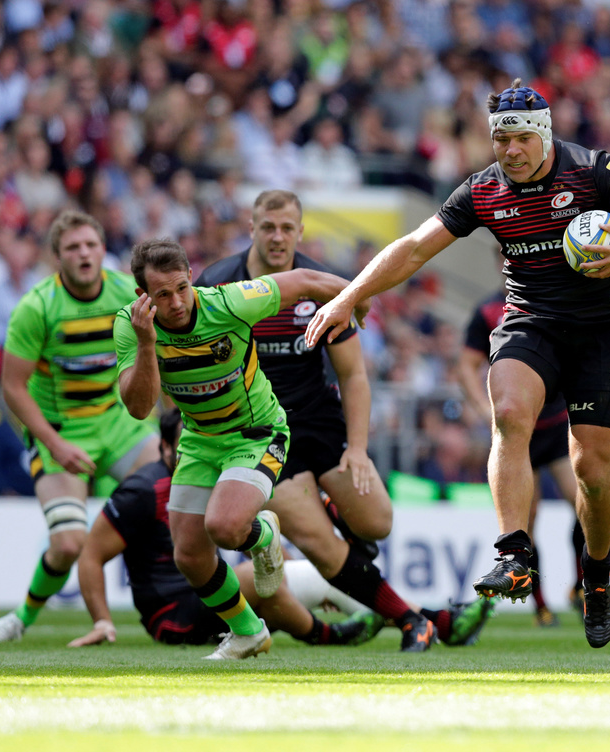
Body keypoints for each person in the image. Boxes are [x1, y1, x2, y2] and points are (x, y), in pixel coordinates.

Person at [306, 79, 610, 648]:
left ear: (544, 135)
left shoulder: (593, 170)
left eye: (521, 139)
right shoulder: (483, 190)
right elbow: (414, 247)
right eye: (500, 140)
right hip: (530, 320)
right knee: (507, 413)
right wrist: (350, 295)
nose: (510, 150)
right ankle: (514, 554)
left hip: (600, 333)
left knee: (592, 472)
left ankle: (597, 571)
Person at [197, 190, 490, 651]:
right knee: (322, 546)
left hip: (319, 421)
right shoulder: (218, 285)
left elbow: (354, 375)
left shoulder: (319, 285)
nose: (277, 237)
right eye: (268, 227)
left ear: (300, 231)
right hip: (261, 436)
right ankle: (416, 621)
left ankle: (345, 530)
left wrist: (357, 449)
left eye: (287, 228)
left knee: (377, 523)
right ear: (251, 229)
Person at [114, 238, 367, 659]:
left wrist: (358, 296)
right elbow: (140, 407)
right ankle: (248, 631)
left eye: (182, 288)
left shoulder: (231, 301)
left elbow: (305, 279)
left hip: (257, 433)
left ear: (191, 277)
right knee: (189, 555)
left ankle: (263, 533)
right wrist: (145, 344)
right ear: (143, 295)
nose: (176, 303)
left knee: (225, 527)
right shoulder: (130, 325)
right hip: (199, 440)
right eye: (162, 295)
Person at [0, 211, 160, 644]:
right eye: (73, 247)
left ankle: (200, 609)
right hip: (61, 430)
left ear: (103, 250)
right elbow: (12, 388)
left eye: (91, 245)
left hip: (118, 422)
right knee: (67, 544)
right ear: (57, 256)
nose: (84, 254)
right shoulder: (36, 307)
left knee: (178, 499)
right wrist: (54, 444)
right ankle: (21, 618)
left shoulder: (126, 293)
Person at [69, 409, 385, 648]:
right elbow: (90, 555)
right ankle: (339, 632)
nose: (198, 448)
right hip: (173, 615)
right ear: (165, 446)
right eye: (188, 442)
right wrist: (102, 622)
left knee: (270, 583)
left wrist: (286, 570)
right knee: (262, 581)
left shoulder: (207, 477)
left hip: (211, 594)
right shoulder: (142, 491)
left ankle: (365, 622)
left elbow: (246, 538)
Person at [458, 284, 581, 626]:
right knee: (528, 518)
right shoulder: (487, 310)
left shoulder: (551, 295)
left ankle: (581, 584)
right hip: (518, 430)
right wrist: (483, 408)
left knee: (582, 501)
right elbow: (466, 365)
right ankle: (541, 605)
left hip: (555, 423)